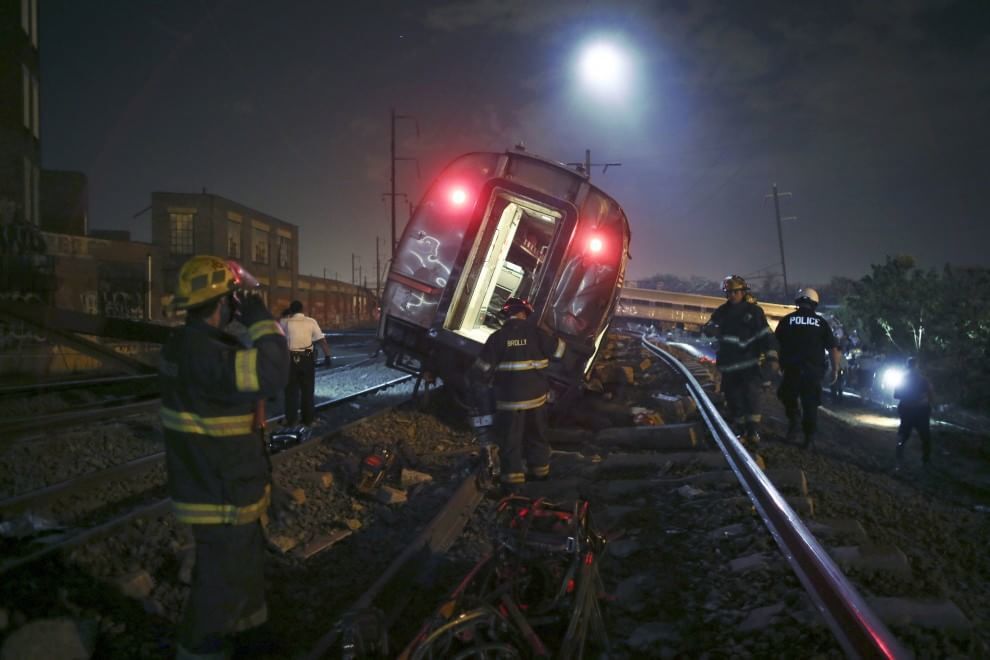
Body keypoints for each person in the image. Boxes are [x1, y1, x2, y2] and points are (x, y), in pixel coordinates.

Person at [159, 255, 288, 658]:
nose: (237, 303)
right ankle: (197, 652)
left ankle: (252, 639)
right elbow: (272, 371)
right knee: (218, 587)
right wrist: (259, 316)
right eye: (234, 297)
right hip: (218, 492)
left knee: (245, 576)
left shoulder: (192, 345)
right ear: (223, 303)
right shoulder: (204, 353)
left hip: (227, 486)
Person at [473, 297, 566, 492]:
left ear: (506, 315)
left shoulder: (497, 338)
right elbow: (559, 352)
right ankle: (540, 476)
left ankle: (513, 485)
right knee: (537, 437)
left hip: (508, 402)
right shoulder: (538, 334)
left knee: (511, 442)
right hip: (536, 400)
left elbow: (481, 371)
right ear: (525, 313)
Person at [703, 275, 778, 446]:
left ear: (743, 292)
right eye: (729, 292)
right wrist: (711, 329)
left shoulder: (754, 312)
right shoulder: (722, 311)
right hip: (729, 366)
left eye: (735, 292)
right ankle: (742, 430)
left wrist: (772, 356)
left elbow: (765, 335)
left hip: (749, 363)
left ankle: (752, 432)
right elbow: (708, 326)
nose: (732, 295)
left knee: (751, 397)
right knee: (734, 399)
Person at [774, 288, 841, 448]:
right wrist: (835, 369)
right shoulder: (821, 323)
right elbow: (833, 349)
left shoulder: (787, 320)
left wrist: (775, 364)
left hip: (791, 369)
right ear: (815, 304)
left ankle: (794, 422)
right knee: (810, 404)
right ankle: (809, 439)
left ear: (797, 302)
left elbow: (775, 344)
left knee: (787, 396)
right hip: (813, 372)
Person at [280, 300, 332, 427]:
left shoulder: (284, 322)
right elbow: (322, 340)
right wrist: (328, 356)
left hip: (290, 360)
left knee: (291, 391)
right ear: (302, 310)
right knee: (308, 390)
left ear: (291, 311)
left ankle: (291, 420)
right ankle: (308, 419)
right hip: (307, 360)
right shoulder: (311, 321)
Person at [894, 357, 934, 467]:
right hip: (921, 410)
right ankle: (926, 459)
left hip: (907, 409)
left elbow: (896, 395)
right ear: (917, 366)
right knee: (925, 436)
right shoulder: (923, 379)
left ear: (907, 366)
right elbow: (930, 395)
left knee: (904, 434)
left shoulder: (903, 379)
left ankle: (899, 455)